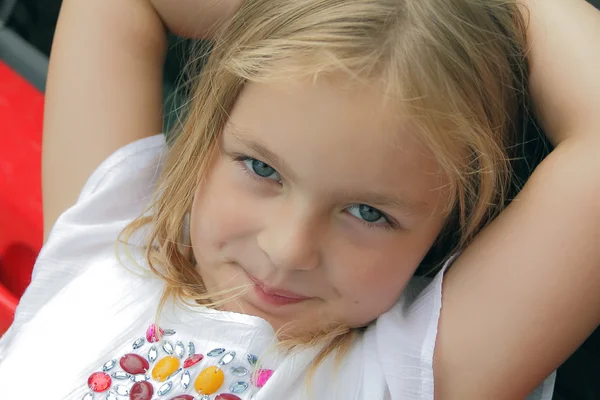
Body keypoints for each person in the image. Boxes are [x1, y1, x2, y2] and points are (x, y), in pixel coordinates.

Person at [0, 0, 598, 399]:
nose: (288, 250)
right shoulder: (110, 248)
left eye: (369, 213)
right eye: (261, 168)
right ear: (212, 128)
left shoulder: (400, 377)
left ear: (445, 225)